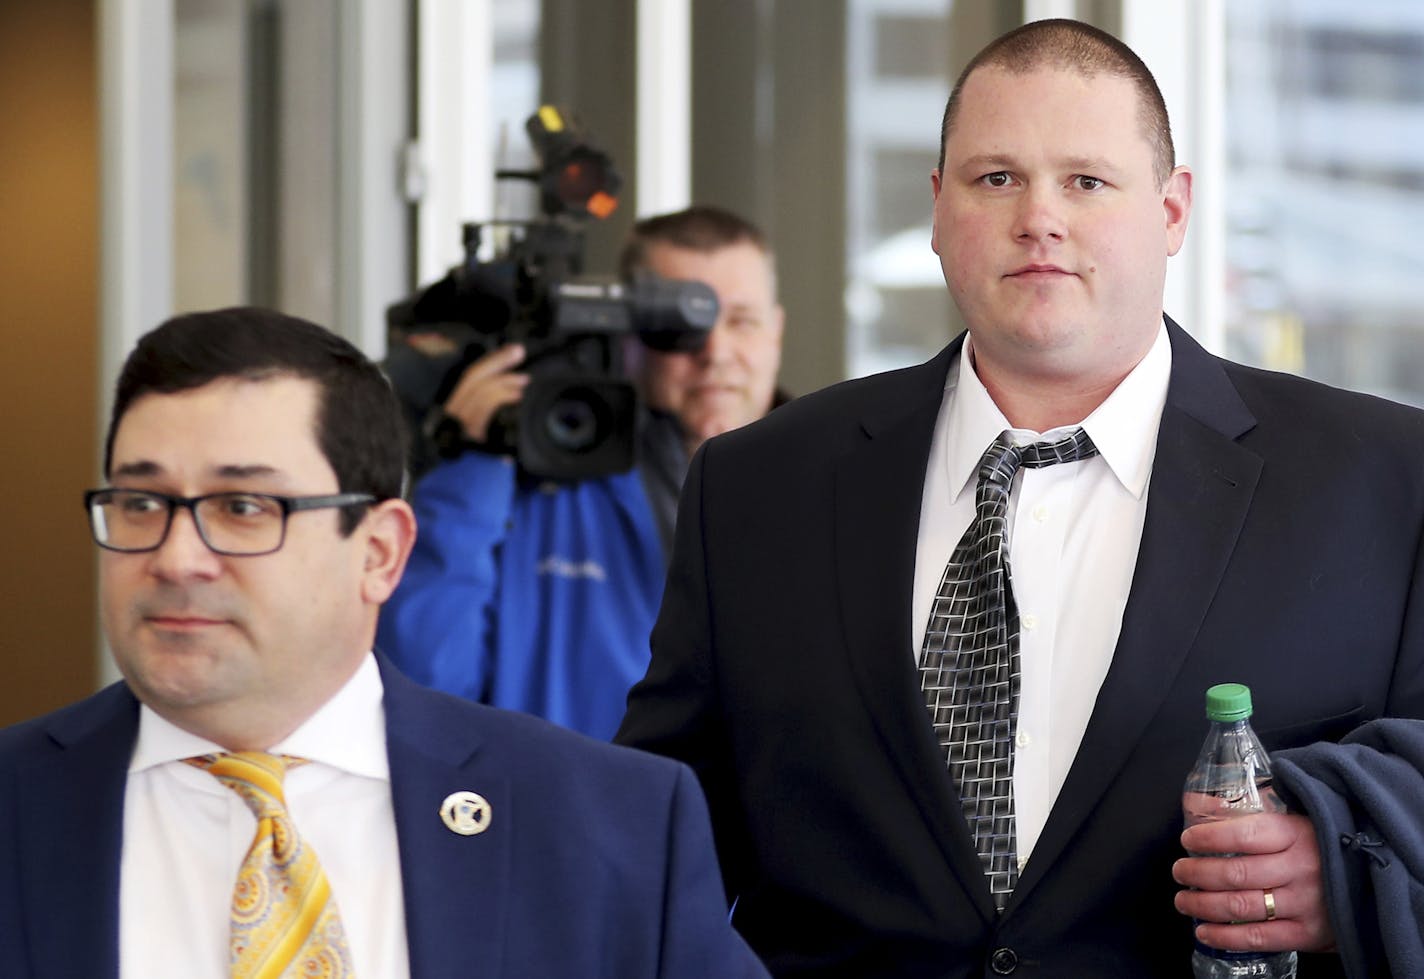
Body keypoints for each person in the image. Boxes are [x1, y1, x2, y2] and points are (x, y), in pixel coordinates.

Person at [615, 18, 1424, 978]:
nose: (1040, 216)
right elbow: (654, 844)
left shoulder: (1385, 477)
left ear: (1172, 211)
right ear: (937, 206)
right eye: (996, 177)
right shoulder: (757, 485)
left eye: (1086, 181)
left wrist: (1345, 856)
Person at [0, 307, 769, 978]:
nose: (175, 557)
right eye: (140, 502)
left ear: (379, 552)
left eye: (242, 506)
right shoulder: (20, 806)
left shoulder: (613, 825)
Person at [376, 205, 787, 739]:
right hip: (568, 814)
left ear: (775, 331)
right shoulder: (528, 488)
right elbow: (422, 694)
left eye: (742, 321)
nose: (715, 353)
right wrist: (468, 467)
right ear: (626, 337)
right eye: (680, 328)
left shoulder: (832, 489)